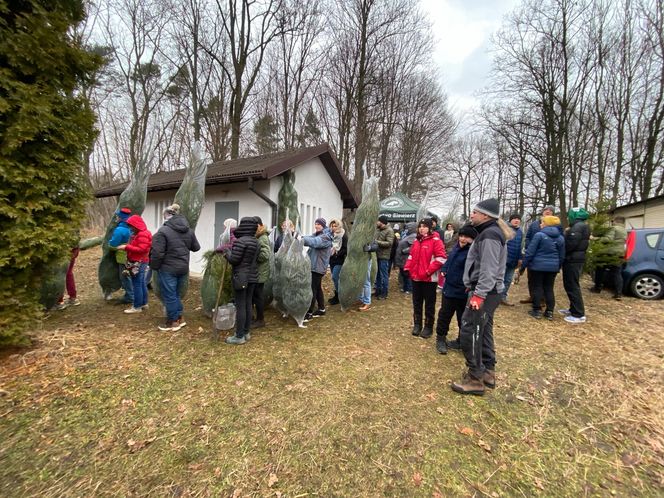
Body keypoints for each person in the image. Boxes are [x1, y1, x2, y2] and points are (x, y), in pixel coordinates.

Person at [451, 198, 511, 396]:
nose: (472, 214)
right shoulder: (489, 233)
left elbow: (489, 268)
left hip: (484, 292)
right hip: (487, 291)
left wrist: (479, 294)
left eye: (475, 212)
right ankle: (487, 372)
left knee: (471, 331)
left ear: (485, 215)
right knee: (483, 330)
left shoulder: (490, 235)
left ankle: (475, 379)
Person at [150, 204, 200, 331]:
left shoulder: (163, 231)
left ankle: (173, 322)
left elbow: (157, 253)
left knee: (170, 295)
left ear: (166, 216)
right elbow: (196, 247)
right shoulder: (188, 230)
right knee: (176, 294)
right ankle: (179, 317)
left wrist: (154, 266)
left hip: (168, 268)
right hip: (183, 267)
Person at [436, 224, 478, 354]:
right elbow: (448, 262)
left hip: (463, 291)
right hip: (449, 289)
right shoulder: (456, 248)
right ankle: (440, 339)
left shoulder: (473, 253)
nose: (462, 239)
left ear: (473, 239)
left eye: (466, 237)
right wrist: (444, 269)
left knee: (462, 318)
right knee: (445, 315)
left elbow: (475, 272)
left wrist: (470, 285)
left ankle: (461, 341)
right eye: (461, 235)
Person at [404, 218, 446, 339]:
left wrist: (428, 271)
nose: (421, 228)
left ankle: (428, 326)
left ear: (430, 228)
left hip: (429, 279)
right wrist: (407, 268)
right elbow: (411, 256)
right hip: (416, 278)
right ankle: (417, 324)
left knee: (429, 304)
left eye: (424, 226)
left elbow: (441, 259)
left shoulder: (436, 241)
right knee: (416, 302)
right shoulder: (417, 241)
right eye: (420, 226)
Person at [519, 215, 565, 320]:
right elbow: (562, 255)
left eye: (542, 222)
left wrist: (523, 266)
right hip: (552, 268)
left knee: (537, 287)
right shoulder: (561, 237)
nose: (540, 224)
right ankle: (549, 312)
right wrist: (557, 266)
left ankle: (537, 310)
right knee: (549, 288)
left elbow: (530, 252)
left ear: (548, 224)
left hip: (537, 267)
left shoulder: (539, 235)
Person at [223, 217, 259, 345]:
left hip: (241, 277)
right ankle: (246, 332)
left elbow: (234, 260)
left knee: (241, 306)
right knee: (248, 304)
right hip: (253, 277)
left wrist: (227, 253)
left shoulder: (240, 242)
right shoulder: (256, 242)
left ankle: (239, 336)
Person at [560, 207, 590, 324]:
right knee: (571, 285)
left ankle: (578, 314)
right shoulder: (582, 226)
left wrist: (565, 237)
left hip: (573, 260)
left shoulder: (577, 227)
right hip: (575, 259)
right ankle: (573, 309)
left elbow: (571, 244)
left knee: (572, 286)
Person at [117, 214, 152, 314]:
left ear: (136, 225)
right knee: (141, 283)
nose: (130, 228)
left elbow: (142, 249)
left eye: (131, 226)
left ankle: (137, 306)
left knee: (136, 283)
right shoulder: (141, 233)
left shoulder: (142, 234)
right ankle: (144, 303)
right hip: (141, 261)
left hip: (138, 262)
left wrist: (126, 247)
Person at [521, 205, 555, 304]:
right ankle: (533, 297)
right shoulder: (534, 224)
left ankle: (542, 300)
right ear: (542, 212)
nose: (547, 212)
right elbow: (528, 237)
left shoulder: (554, 225)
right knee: (531, 278)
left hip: (546, 256)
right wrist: (529, 246)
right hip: (532, 255)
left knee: (544, 281)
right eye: (546, 210)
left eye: (550, 211)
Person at [590, 215, 627, 300]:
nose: (612, 222)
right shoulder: (624, 230)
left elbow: (608, 239)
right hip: (619, 254)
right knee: (617, 273)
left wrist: (594, 238)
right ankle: (618, 293)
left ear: (616, 221)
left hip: (608, 253)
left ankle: (597, 288)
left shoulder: (613, 228)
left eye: (612, 221)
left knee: (600, 270)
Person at [303, 218, 333, 321]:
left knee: (312, 289)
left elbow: (314, 242)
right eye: (315, 224)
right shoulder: (317, 234)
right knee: (318, 288)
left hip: (318, 267)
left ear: (323, 226)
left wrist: (300, 239)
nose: (316, 226)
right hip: (314, 266)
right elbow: (309, 237)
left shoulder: (325, 237)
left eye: (319, 224)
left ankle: (309, 313)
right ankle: (321, 309)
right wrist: (299, 236)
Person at [108, 207, 134, 304]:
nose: (117, 218)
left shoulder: (120, 230)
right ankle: (131, 294)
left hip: (123, 257)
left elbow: (112, 244)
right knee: (132, 275)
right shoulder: (132, 227)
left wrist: (109, 244)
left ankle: (130, 296)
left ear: (121, 218)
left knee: (125, 276)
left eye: (118, 216)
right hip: (133, 255)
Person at [252, 216, 271, 329]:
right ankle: (258, 318)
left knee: (258, 296)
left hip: (261, 272)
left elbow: (265, 254)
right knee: (256, 296)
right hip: (258, 271)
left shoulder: (263, 237)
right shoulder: (259, 236)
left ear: (259, 225)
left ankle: (260, 319)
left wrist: (253, 258)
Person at [501, 213, 523, 306]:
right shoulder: (504, 229)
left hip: (514, 261)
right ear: (510, 220)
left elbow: (521, 246)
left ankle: (503, 297)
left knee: (508, 280)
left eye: (518, 219)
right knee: (499, 279)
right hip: (503, 259)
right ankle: (494, 298)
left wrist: (520, 258)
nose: (516, 220)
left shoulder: (520, 232)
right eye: (514, 219)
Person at [374, 215, 395, 299]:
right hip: (376, 255)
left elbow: (389, 243)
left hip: (384, 256)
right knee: (377, 275)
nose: (376, 222)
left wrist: (376, 242)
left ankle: (384, 293)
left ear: (381, 222)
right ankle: (378, 291)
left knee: (384, 275)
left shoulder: (389, 231)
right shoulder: (378, 230)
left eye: (378, 221)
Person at [327, 218, 348, 306]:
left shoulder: (343, 235)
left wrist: (337, 252)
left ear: (339, 225)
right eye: (332, 226)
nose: (334, 227)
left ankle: (340, 296)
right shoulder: (330, 235)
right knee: (334, 278)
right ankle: (337, 295)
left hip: (339, 260)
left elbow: (346, 249)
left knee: (335, 277)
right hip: (331, 259)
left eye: (335, 226)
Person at [395, 222, 417, 293]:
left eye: (408, 228)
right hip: (402, 258)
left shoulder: (413, 236)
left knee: (408, 274)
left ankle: (409, 289)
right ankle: (405, 287)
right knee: (404, 274)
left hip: (406, 258)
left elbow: (413, 247)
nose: (406, 229)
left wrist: (404, 251)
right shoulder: (407, 235)